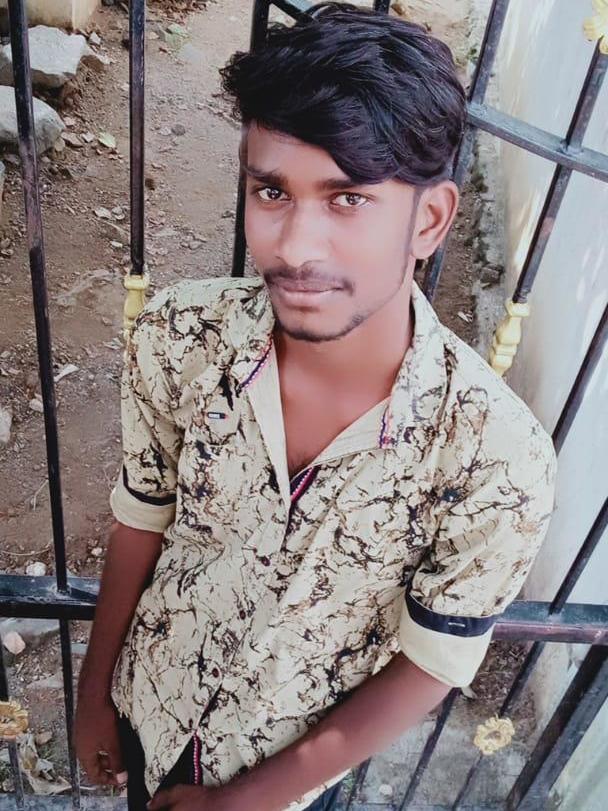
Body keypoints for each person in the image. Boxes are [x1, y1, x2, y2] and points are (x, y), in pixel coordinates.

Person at [74, 3, 558, 810]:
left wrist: (244, 801)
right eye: (272, 190)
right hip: (149, 703)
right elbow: (142, 517)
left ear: (429, 219)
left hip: (288, 777)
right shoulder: (180, 335)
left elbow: (431, 662)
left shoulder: (495, 457)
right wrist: (95, 695)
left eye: (347, 199)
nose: (295, 246)